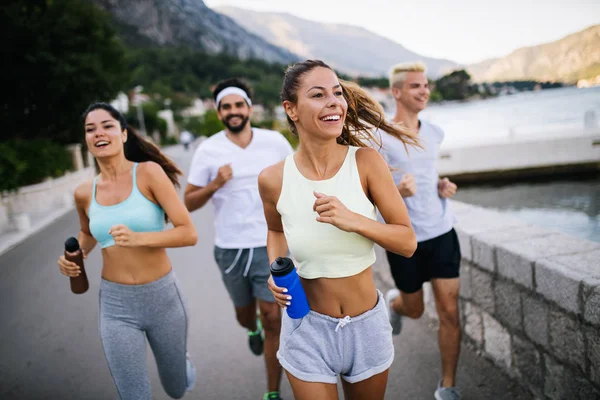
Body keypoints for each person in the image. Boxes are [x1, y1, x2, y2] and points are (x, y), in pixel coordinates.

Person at [259, 60, 419, 400]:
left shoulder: (366, 163)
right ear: (292, 109)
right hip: (306, 328)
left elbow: (407, 242)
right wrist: (275, 269)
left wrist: (354, 220)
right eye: (318, 95)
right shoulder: (273, 179)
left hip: (367, 327)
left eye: (337, 93)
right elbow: (275, 231)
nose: (334, 102)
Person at [57, 102, 198, 400]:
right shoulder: (84, 192)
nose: (98, 133)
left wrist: (140, 239)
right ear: (86, 140)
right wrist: (74, 257)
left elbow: (188, 232)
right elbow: (87, 233)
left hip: (163, 298)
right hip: (116, 305)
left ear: (122, 134)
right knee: (133, 394)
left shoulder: (148, 173)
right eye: (90, 129)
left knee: (175, 386)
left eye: (107, 125)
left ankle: (182, 365)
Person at [184, 78, 293, 400]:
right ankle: (251, 328)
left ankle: (272, 391)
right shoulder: (209, 149)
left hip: (268, 243)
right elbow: (188, 202)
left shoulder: (274, 142)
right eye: (226, 106)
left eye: (238, 104)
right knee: (245, 314)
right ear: (219, 113)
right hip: (230, 249)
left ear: (249, 108)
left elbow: (298, 177)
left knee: (273, 315)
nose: (233, 111)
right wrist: (215, 183)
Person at [379, 62, 462, 400]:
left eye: (426, 85)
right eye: (415, 86)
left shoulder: (435, 132)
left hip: (442, 231)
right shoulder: (379, 136)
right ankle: (396, 305)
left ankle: (447, 386)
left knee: (450, 312)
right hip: (404, 238)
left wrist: (441, 185)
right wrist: (396, 193)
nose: (424, 91)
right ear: (396, 92)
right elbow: (367, 190)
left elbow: (429, 172)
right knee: (416, 309)